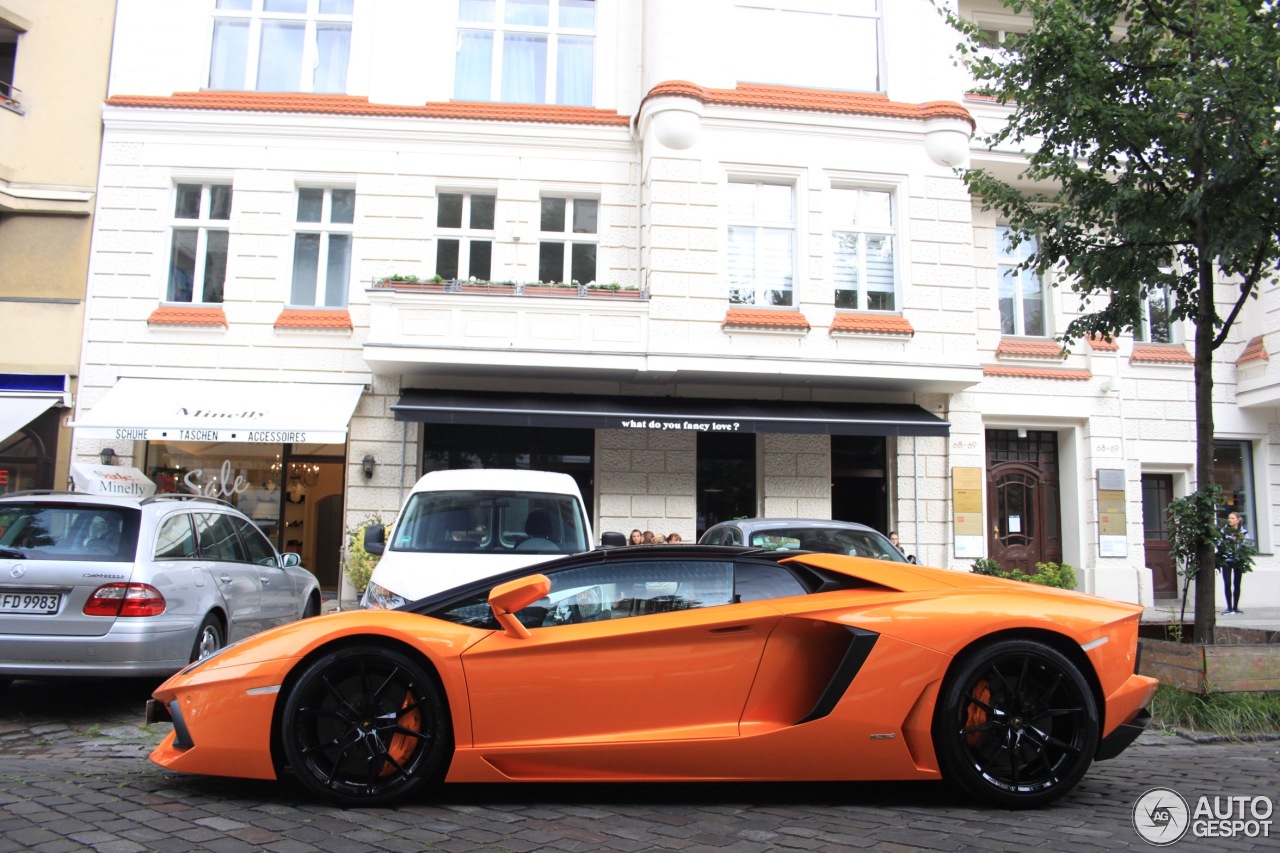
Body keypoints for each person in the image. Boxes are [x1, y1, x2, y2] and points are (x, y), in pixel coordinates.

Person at [1217, 511, 1254, 615]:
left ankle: (1235, 607)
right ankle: (1229, 607)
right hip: (1226, 560)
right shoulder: (1223, 531)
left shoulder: (1243, 532)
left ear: (1238, 520)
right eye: (1229, 518)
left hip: (1238, 560)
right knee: (1227, 583)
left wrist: (1240, 541)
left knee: (1237, 584)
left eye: (1232, 518)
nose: (1230, 520)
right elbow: (1219, 544)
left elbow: (1249, 545)